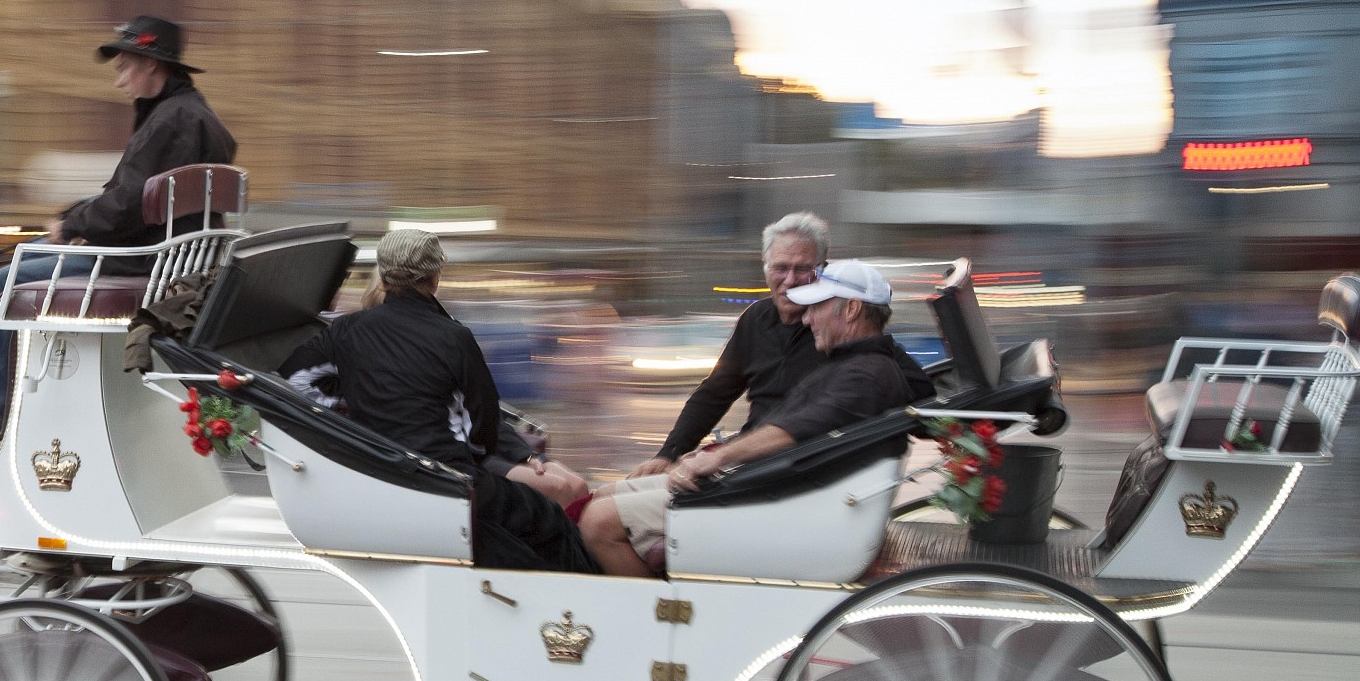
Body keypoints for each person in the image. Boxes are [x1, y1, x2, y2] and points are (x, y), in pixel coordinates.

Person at [0, 15, 236, 444]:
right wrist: (76, 222)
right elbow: (131, 197)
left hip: (148, 261)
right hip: (164, 252)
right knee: (36, 251)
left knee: (10, 276)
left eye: (123, 67)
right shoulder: (191, 114)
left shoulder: (170, 122)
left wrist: (74, 224)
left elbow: (127, 205)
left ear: (151, 64)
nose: (119, 81)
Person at [580, 260, 934, 578]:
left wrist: (716, 457)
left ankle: (650, 620)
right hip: (773, 488)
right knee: (602, 496)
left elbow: (793, 430)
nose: (807, 319)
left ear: (853, 309)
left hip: (774, 502)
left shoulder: (863, 375)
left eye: (817, 308)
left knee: (599, 522)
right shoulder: (860, 364)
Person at [280, 228, 593, 572]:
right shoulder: (454, 337)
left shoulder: (345, 330)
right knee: (549, 517)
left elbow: (297, 381)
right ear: (434, 278)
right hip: (449, 477)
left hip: (385, 470)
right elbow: (482, 430)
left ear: (383, 278)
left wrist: (352, 402)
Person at [636, 211, 832, 477]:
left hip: (795, 473)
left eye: (801, 269)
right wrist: (668, 454)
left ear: (822, 270)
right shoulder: (755, 320)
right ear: (765, 268)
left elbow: (887, 367)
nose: (789, 280)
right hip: (747, 464)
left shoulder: (837, 327)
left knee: (604, 514)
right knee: (608, 495)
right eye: (780, 268)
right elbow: (714, 394)